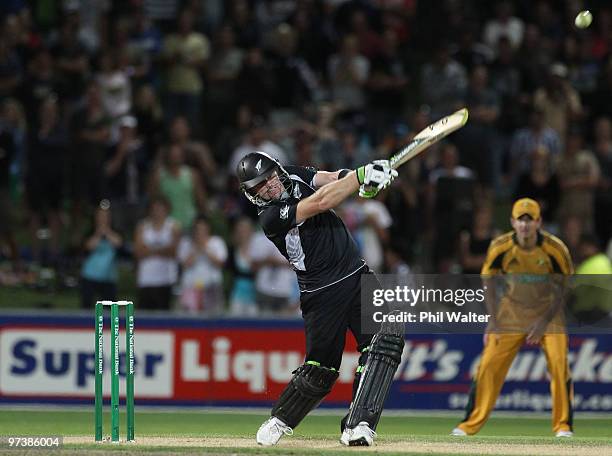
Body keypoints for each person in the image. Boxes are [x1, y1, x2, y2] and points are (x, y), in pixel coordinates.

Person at [237, 151, 401, 447]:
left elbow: (330, 178)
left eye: (270, 178)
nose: (269, 186)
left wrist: (362, 181)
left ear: (277, 169)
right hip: (321, 292)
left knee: (387, 338)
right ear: (252, 195)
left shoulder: (290, 173)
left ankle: (358, 424)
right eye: (259, 186)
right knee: (321, 371)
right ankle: (281, 420)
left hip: (356, 273)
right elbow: (321, 201)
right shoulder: (271, 217)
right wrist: (360, 177)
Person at [451, 198, 574, 438]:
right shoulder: (501, 246)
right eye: (520, 220)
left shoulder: (555, 248)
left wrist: (544, 321)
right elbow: (487, 280)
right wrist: (493, 320)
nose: (525, 226)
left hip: (548, 313)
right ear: (512, 222)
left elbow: (564, 288)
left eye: (530, 220)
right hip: (511, 312)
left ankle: (563, 427)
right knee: (487, 365)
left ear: (539, 222)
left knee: (559, 365)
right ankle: (468, 425)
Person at [80, 200, 122, 308]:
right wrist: (99, 233)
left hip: (109, 277)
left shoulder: (116, 231)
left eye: (106, 216)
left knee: (110, 309)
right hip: (89, 276)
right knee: (87, 307)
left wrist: (107, 232)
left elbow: (118, 243)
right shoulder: (89, 232)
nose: (103, 218)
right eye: (100, 215)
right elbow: (89, 246)